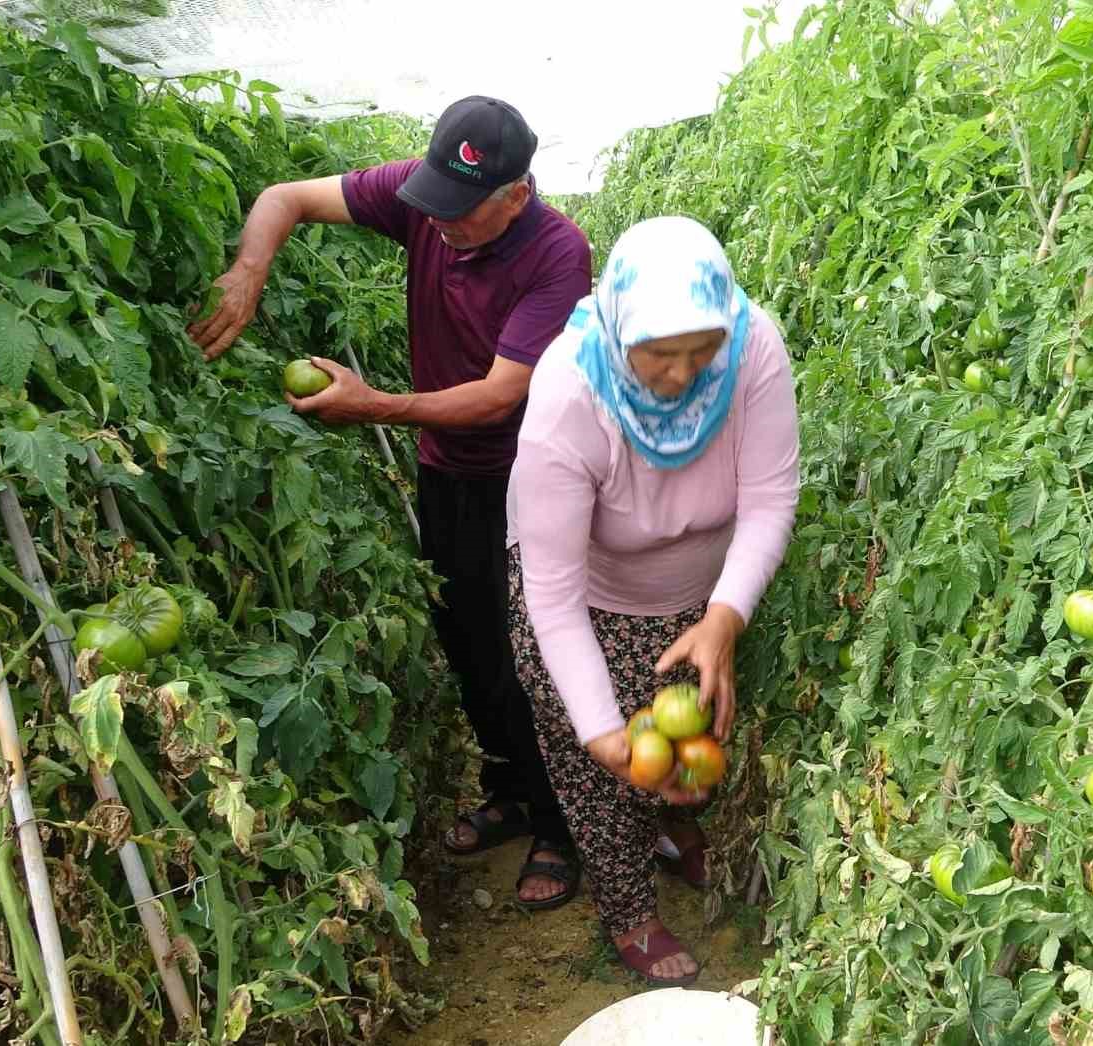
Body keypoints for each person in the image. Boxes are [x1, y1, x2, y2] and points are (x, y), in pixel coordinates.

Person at [187, 96, 591, 910]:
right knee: (468, 637)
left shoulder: (557, 253)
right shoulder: (428, 197)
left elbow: (498, 396)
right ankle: (509, 790)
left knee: (533, 655)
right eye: (435, 202)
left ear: (516, 194)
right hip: (447, 471)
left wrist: (372, 405)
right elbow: (285, 198)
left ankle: (562, 824)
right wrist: (248, 273)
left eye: (462, 211)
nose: (439, 224)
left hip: (529, 478)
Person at [508, 216, 800, 985]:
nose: (683, 376)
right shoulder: (570, 394)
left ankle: (673, 830)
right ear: (618, 331)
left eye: (701, 354)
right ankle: (629, 911)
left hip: (697, 601)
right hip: (587, 606)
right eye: (660, 356)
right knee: (604, 776)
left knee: (688, 741)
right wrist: (602, 733)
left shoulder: (751, 345)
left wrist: (724, 617)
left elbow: (769, 497)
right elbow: (554, 595)